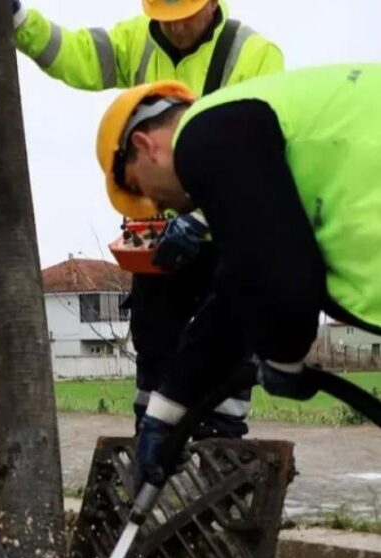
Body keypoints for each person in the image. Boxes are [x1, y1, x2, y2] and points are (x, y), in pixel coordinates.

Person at [94, 64, 381, 485]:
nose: (158, 207)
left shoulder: (205, 134)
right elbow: (240, 292)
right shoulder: (254, 137)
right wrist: (166, 412)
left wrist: (284, 355)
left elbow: (283, 283)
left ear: (146, 145)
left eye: (143, 189)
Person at [11, 0, 283, 438]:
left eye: (184, 13)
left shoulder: (253, 56)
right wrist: (19, 20)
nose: (174, 25)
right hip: (159, 233)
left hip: (228, 232)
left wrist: (203, 219)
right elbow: (75, 54)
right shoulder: (136, 39)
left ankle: (219, 442)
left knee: (226, 341)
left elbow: (257, 156)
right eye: (166, 14)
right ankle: (152, 434)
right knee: (154, 338)